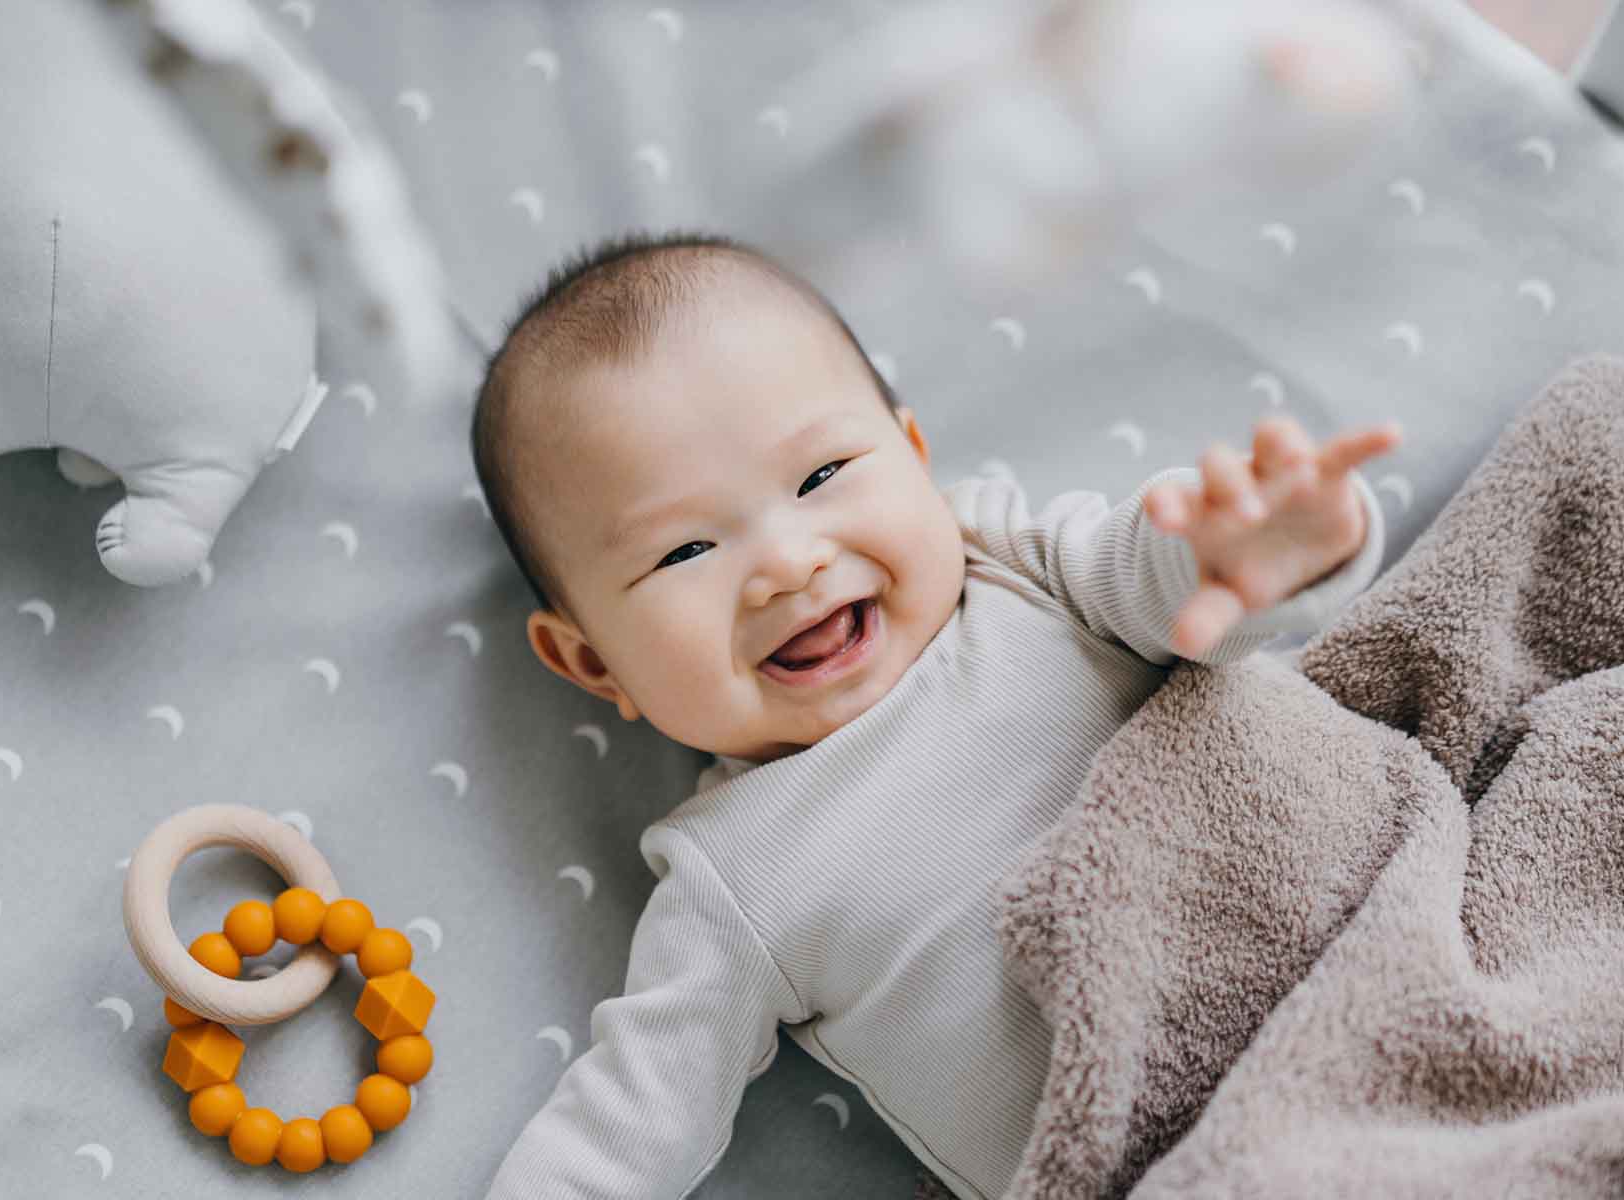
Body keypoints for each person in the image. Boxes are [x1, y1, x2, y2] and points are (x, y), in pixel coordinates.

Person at [470, 228, 1400, 1198]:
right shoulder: (736, 872)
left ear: (913, 456)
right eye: (686, 551)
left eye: (822, 477)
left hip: (1383, 952)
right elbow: (624, 1122)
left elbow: (1159, 572)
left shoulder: (1016, 566)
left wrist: (1255, 554)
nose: (790, 562)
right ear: (589, 662)